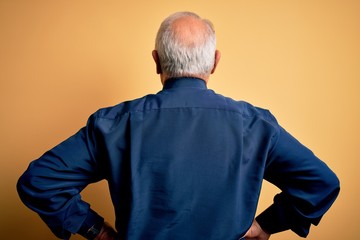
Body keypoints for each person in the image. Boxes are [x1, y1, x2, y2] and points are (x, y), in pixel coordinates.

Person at [17, 11, 340, 240]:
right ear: (215, 61)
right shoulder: (255, 124)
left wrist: (96, 231)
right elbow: (321, 183)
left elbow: (39, 180)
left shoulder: (113, 124)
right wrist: (266, 224)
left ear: (156, 60)